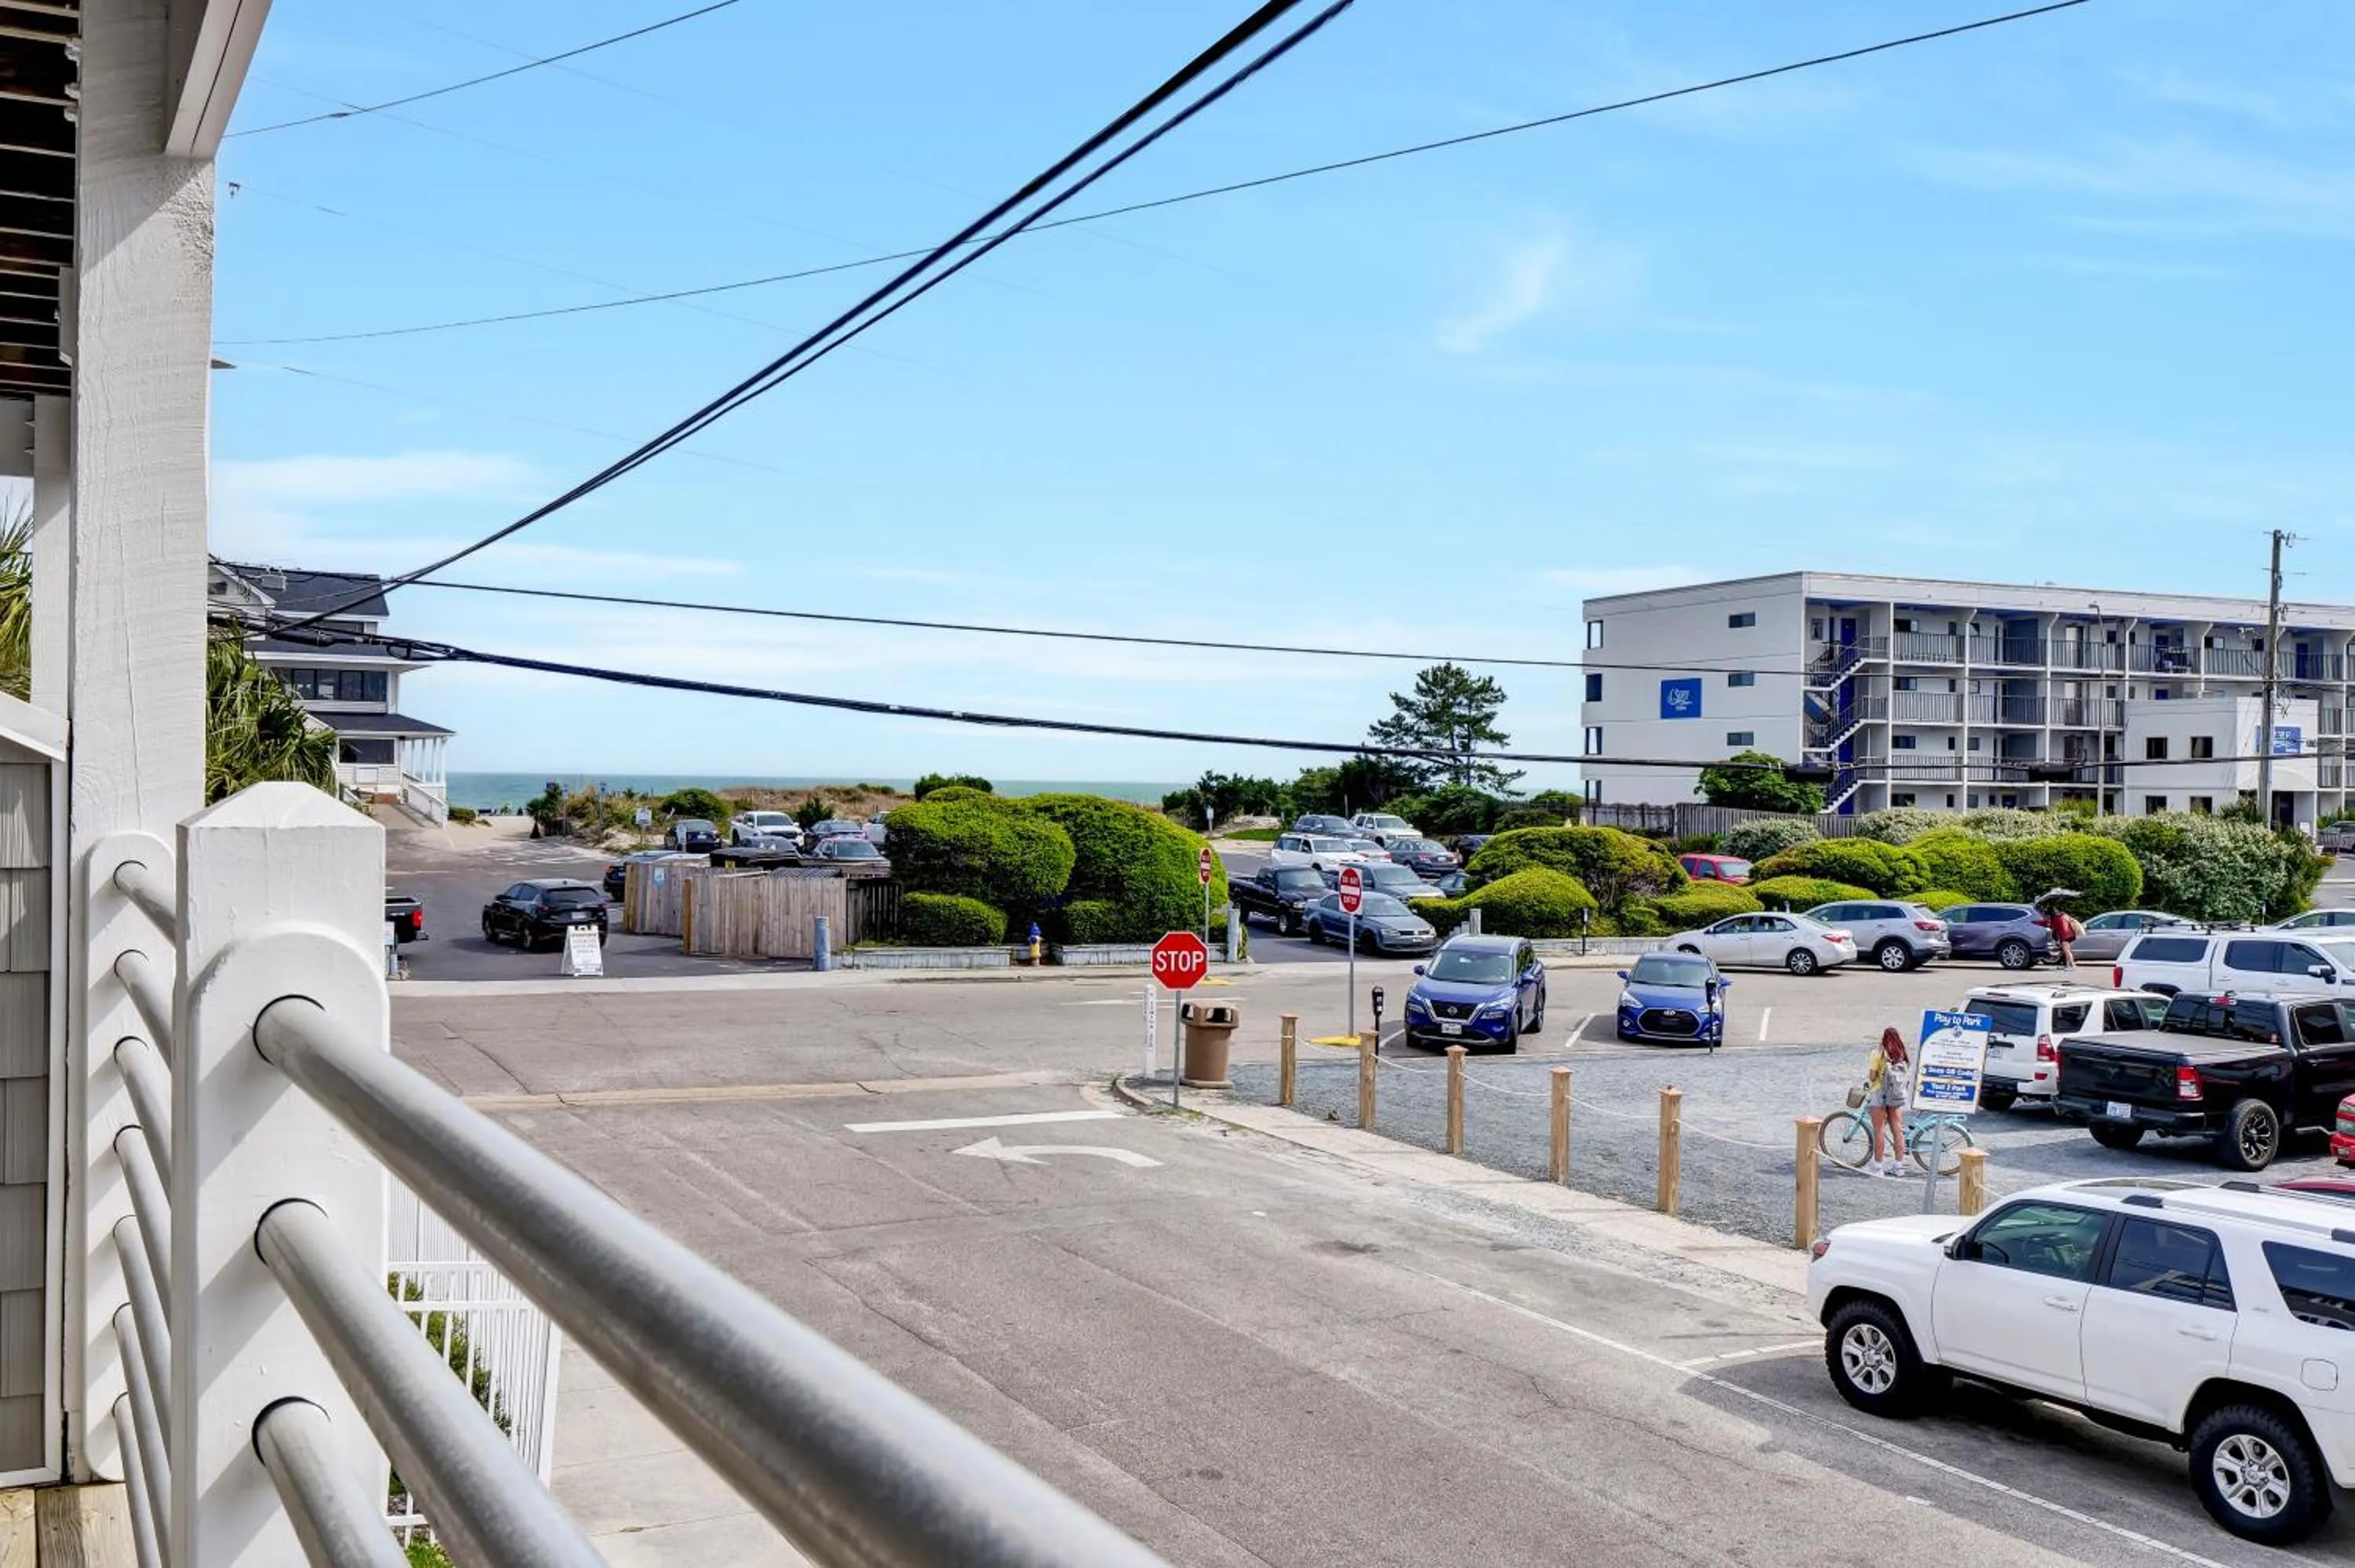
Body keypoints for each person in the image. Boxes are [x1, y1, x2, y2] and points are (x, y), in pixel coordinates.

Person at [1864, 1026, 1911, 1176]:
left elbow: (1872, 1077)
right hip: (1896, 1095)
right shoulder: (1901, 1054)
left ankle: (1878, 1167)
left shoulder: (1877, 1053)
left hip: (1879, 1094)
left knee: (1879, 1131)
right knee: (1897, 1130)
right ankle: (1899, 1167)